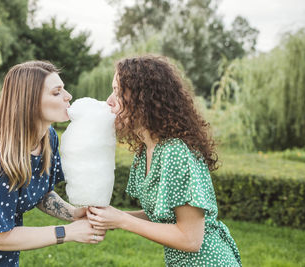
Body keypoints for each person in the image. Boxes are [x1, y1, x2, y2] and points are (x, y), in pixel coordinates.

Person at [0, 61, 105, 266]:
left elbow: (39, 192)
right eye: (56, 92)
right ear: (30, 102)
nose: (68, 96)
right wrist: (66, 232)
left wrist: (72, 213)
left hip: (5, 259)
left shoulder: (47, 138)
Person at [87, 55, 242, 266]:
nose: (109, 101)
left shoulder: (175, 151)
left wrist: (122, 220)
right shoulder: (148, 149)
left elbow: (190, 239)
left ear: (144, 99)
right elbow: (164, 216)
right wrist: (112, 218)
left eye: (118, 91)